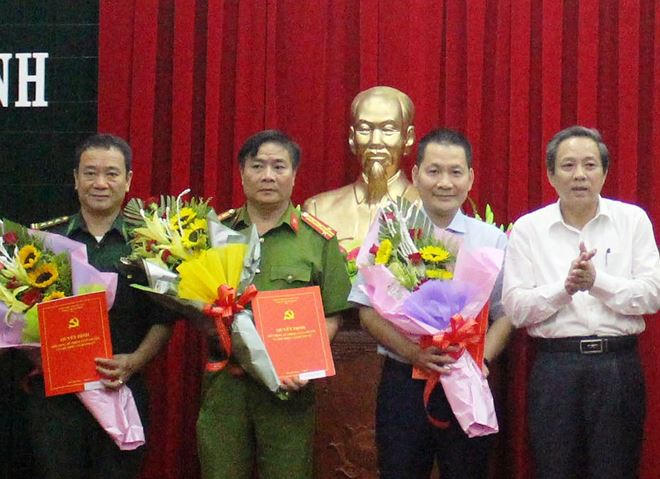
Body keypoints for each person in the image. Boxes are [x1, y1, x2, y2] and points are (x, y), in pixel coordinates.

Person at [350, 128, 513, 479]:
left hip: (467, 378)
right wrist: (414, 353)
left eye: (455, 172)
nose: (444, 183)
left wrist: (480, 360)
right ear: (415, 174)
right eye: (434, 171)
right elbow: (366, 310)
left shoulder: (491, 240)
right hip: (405, 381)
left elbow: (506, 315)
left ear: (470, 178)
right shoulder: (391, 232)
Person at [502, 126, 660, 479]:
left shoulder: (632, 221)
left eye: (590, 165)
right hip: (556, 367)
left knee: (617, 470)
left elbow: (653, 294)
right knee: (554, 470)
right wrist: (565, 289)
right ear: (550, 175)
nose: (579, 175)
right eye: (568, 165)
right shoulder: (529, 229)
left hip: (617, 365)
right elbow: (515, 308)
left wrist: (597, 282)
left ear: (604, 172)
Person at [196, 129, 352, 479]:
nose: (268, 175)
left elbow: (333, 314)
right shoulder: (213, 234)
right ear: (241, 173)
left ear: (294, 175)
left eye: (279, 167)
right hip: (227, 385)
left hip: (288, 389)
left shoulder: (317, 239)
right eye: (258, 166)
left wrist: (304, 364)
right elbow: (193, 303)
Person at [26, 133, 174, 478]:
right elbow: (20, 317)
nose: (100, 183)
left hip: (122, 388)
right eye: (90, 173)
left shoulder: (150, 244)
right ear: (76, 179)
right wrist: (43, 360)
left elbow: (164, 318)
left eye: (112, 173)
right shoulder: (45, 242)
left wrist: (135, 361)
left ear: (128, 180)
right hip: (58, 399)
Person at [304, 86, 419, 250]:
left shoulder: (430, 210)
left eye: (388, 129)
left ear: (408, 138)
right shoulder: (319, 210)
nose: (375, 141)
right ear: (352, 138)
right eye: (365, 129)